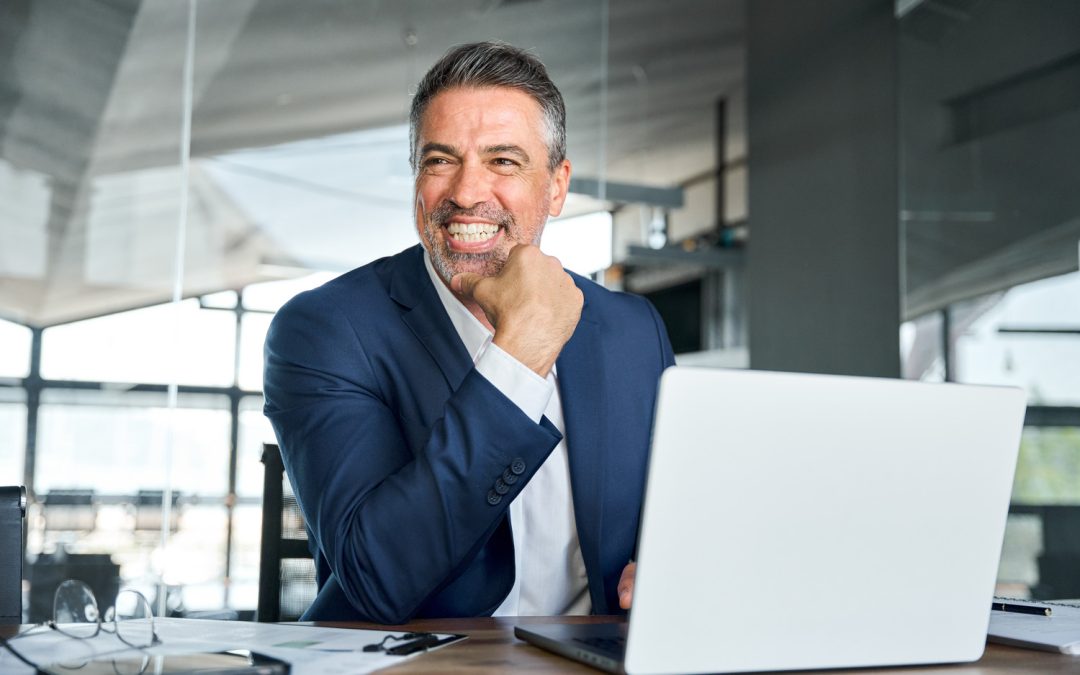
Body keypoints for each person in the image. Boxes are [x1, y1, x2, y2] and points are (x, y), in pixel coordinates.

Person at [263, 41, 674, 623]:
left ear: (556, 187)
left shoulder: (633, 330)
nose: (465, 192)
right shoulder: (325, 330)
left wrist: (667, 563)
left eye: (503, 161)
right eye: (439, 160)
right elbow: (377, 578)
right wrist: (519, 356)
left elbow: (675, 510)